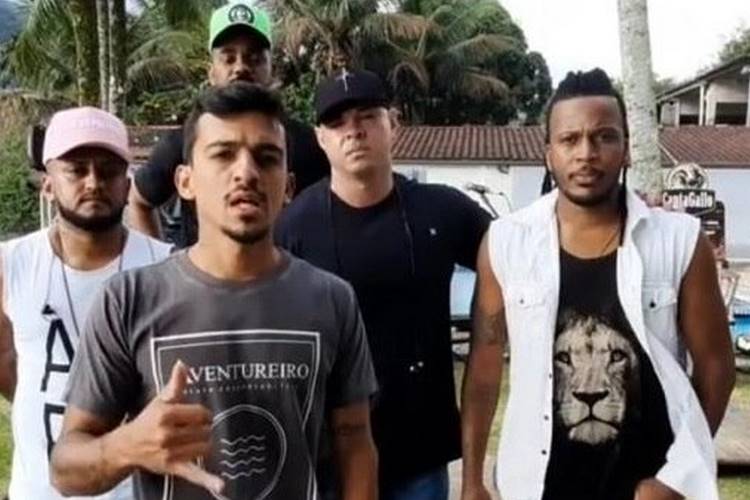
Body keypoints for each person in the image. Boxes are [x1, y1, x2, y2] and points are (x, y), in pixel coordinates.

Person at [50, 82, 378, 500]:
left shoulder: (332, 299)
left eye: (267, 158)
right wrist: (127, 445)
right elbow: (65, 469)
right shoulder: (129, 299)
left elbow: (354, 439)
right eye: (223, 154)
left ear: (288, 187)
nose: (246, 172)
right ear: (185, 181)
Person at [461, 69, 736, 500]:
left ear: (626, 149)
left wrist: (676, 477)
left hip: (649, 486)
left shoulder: (679, 240)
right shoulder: (506, 243)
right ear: (549, 154)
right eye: (569, 140)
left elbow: (717, 366)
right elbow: (484, 368)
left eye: (604, 137)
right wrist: (472, 480)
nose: (586, 153)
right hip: (537, 485)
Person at [275, 69, 491, 498]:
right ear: (320, 138)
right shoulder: (292, 228)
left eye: (367, 117)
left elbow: (517, 257)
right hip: (329, 456)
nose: (353, 132)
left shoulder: (443, 211)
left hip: (419, 456)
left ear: (393, 123)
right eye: (337, 122)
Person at [0, 106, 172, 499]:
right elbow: (5, 360)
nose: (93, 182)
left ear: (127, 185)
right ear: (48, 185)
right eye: (76, 170)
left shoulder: (165, 266)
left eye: (108, 171)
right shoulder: (11, 265)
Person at [129, 0, 329, 247]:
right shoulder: (184, 142)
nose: (241, 67)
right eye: (229, 58)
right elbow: (139, 201)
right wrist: (162, 261)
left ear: (272, 69)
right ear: (211, 72)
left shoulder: (308, 144)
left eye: (254, 58)